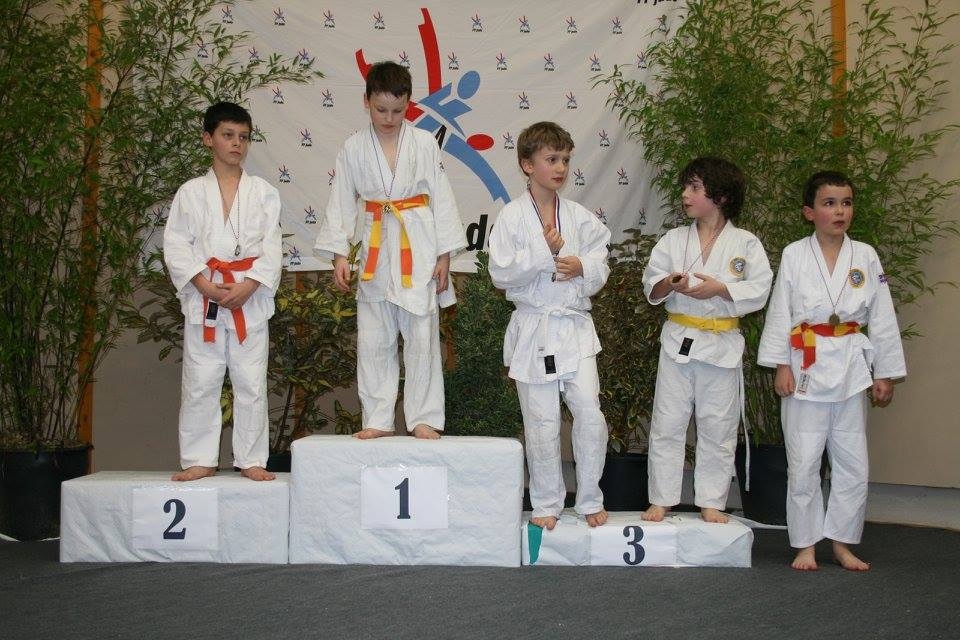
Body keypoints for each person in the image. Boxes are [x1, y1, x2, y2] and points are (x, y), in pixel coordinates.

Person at [758, 170, 906, 571]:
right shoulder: (794, 254)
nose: (840, 211)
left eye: (846, 203)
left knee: (853, 463)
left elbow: (882, 316)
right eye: (829, 203)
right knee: (804, 461)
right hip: (805, 364)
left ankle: (842, 542)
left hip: (851, 367)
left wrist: (884, 371)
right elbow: (780, 311)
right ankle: (805, 544)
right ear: (809, 212)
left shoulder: (866, 255)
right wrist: (781, 365)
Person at [314, 61, 466, 440]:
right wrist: (339, 254)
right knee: (374, 338)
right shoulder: (353, 147)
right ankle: (378, 418)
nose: (388, 118)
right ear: (366, 101)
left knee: (421, 336)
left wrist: (444, 255)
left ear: (408, 104)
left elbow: (441, 198)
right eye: (381, 109)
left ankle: (423, 417)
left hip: (418, 241)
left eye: (397, 111)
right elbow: (341, 201)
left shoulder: (424, 143)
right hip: (375, 245)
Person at [488, 121, 611, 530]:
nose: (560, 167)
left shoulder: (579, 217)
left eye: (565, 160)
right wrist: (545, 254)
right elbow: (500, 273)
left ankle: (590, 497)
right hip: (535, 327)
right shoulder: (511, 217)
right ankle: (545, 502)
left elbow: (601, 259)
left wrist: (582, 266)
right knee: (540, 420)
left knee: (589, 412)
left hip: (573, 327)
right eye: (551, 159)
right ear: (528, 165)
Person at [641, 157, 772, 523]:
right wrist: (670, 283)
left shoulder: (746, 244)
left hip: (721, 342)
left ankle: (712, 500)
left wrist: (722, 289)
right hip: (679, 339)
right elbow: (652, 285)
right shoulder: (673, 240)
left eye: (694, 188)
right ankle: (661, 498)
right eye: (686, 187)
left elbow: (760, 289)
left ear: (721, 196)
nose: (685, 194)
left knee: (718, 425)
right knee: (667, 422)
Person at [163, 101, 282, 482]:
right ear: (208, 139)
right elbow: (176, 245)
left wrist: (249, 285)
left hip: (250, 299)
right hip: (205, 298)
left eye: (243, 137)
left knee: (251, 382)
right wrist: (202, 283)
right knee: (201, 381)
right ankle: (199, 458)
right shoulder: (190, 192)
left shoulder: (263, 192)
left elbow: (272, 247)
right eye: (228, 135)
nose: (236, 144)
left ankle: (251, 458)